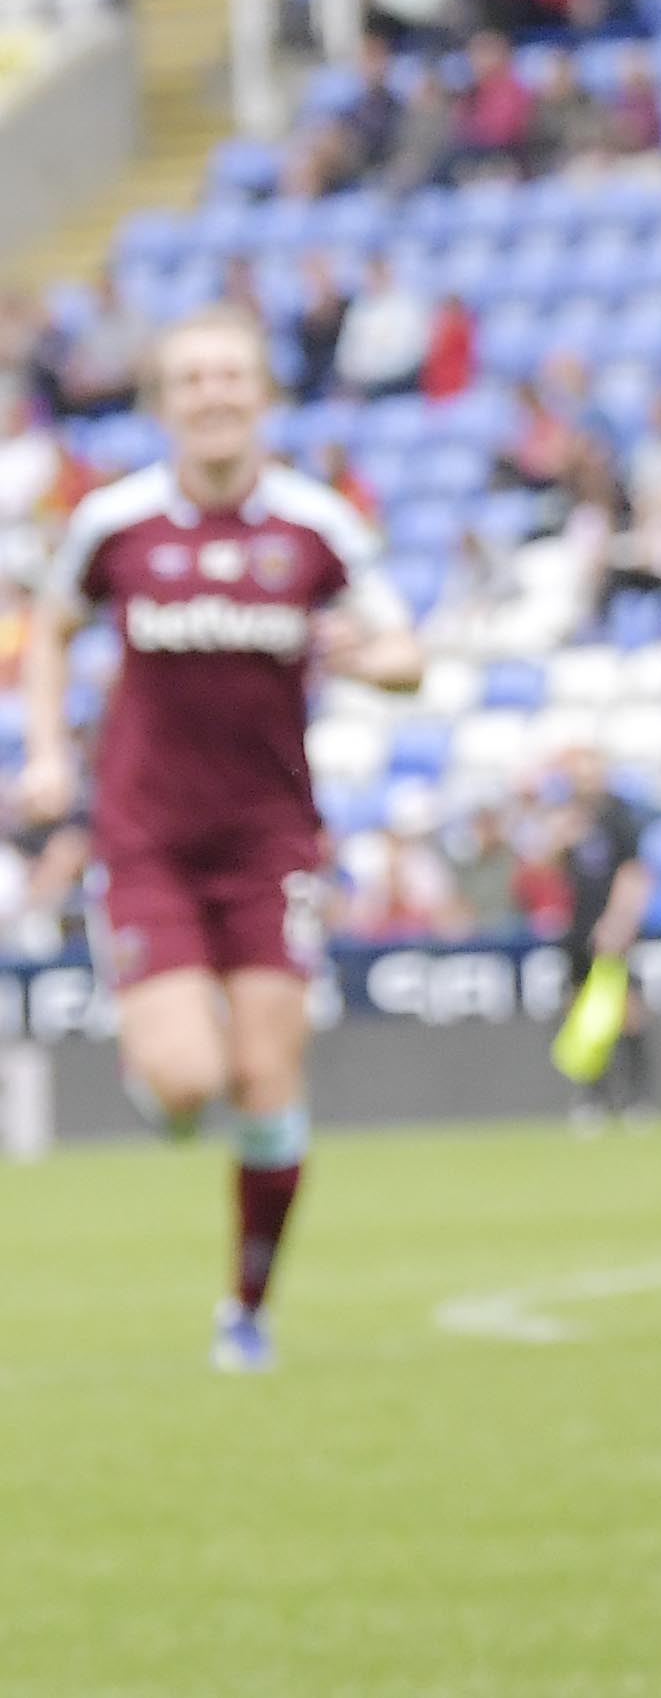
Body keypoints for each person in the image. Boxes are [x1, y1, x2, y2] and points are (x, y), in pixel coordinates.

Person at [19, 308, 427, 1368]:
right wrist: (50, 754)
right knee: (191, 1082)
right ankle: (158, 1068)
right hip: (148, 838)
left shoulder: (315, 526)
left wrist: (374, 659)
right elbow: (53, 633)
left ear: (262, 395)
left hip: (271, 843)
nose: (213, 394)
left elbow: (406, 650)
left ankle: (246, 1310)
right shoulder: (114, 524)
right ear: (165, 401)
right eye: (192, 377)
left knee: (267, 1080)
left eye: (232, 376)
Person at [544, 746, 656, 1128]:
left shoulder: (619, 817)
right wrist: (559, 839)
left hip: (611, 928)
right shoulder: (571, 817)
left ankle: (636, 1099)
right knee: (580, 1012)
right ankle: (592, 1098)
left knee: (627, 1012)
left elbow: (634, 873)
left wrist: (619, 921)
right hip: (577, 929)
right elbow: (549, 869)